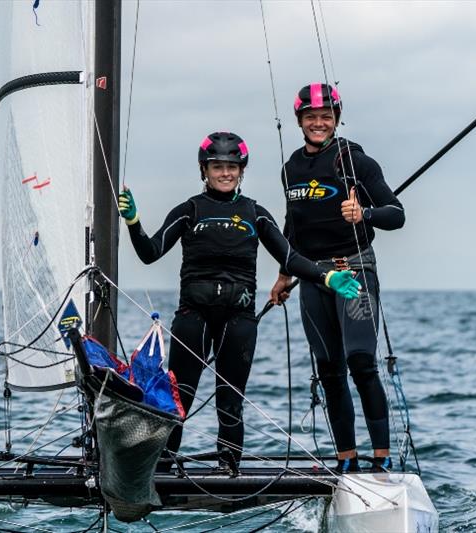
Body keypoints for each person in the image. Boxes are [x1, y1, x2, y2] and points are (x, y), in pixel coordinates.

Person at [118, 131, 361, 474]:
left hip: (239, 319)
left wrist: (327, 276)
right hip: (193, 315)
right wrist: (133, 222)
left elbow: (290, 258)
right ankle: (161, 468)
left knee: (229, 402)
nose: (225, 173)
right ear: (204, 170)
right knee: (177, 397)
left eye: (232, 166)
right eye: (217, 166)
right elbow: (150, 253)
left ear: (242, 170)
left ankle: (229, 470)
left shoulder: (254, 213)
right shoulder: (189, 210)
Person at [269, 83, 405, 473]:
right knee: (329, 370)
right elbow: (292, 225)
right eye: (310, 117)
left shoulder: (357, 162)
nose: (318, 123)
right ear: (299, 121)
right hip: (314, 275)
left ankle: (381, 460)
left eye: (325, 116)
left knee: (361, 361)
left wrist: (365, 214)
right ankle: (346, 460)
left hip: (355, 268)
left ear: (336, 119)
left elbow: (396, 214)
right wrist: (283, 274)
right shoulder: (291, 168)